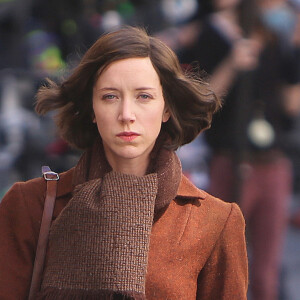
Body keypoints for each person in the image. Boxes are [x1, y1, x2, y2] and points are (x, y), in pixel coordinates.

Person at [0, 26, 248, 299]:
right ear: (92, 109)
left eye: (144, 96)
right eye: (110, 96)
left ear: (166, 108)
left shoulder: (214, 220)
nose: (126, 114)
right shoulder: (30, 204)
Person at [178, 0, 300, 299]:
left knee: (266, 271)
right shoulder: (209, 32)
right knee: (225, 261)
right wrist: (233, 63)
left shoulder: (273, 32)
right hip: (230, 158)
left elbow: (291, 103)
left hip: (273, 160)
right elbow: (203, 100)